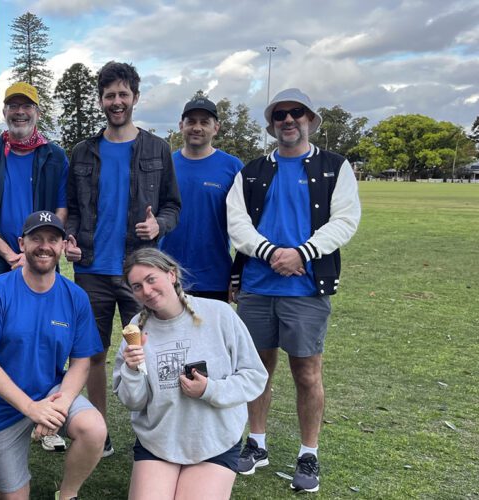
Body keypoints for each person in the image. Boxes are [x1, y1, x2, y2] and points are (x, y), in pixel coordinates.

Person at [227, 88, 361, 493]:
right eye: (280, 115)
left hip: (306, 287)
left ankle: (309, 453)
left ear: (310, 120)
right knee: (258, 370)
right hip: (257, 286)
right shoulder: (251, 171)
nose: (288, 120)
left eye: (296, 113)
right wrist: (270, 252)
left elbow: (345, 220)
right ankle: (257, 443)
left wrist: (302, 253)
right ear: (271, 126)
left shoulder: (335, 166)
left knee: (306, 373)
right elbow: (237, 223)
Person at [66, 61, 181, 456]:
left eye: (123, 95)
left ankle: (148, 431)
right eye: (109, 95)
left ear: (135, 97)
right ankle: (100, 431)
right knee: (92, 354)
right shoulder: (82, 152)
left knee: (147, 350)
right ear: (101, 100)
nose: (117, 102)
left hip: (141, 271)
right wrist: (70, 238)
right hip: (92, 271)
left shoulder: (156, 148)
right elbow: (73, 209)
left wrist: (159, 227)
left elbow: (171, 206)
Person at [0, 210, 106, 500]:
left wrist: (60, 405)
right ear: (21, 244)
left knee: (94, 429)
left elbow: (81, 362)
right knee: (10, 495)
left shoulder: (74, 296)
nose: (44, 246)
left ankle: (67, 495)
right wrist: (32, 408)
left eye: (52, 239)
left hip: (51, 392)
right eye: (36, 239)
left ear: (63, 245)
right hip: (2, 405)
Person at [0, 81, 70, 453]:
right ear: (4, 111)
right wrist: (11, 254)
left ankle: (50, 414)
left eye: (26, 106)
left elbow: (61, 210)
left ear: (37, 112)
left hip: (42, 264)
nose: (19, 112)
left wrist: (36, 250)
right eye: (12, 106)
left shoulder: (55, 156)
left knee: (49, 341)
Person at [113, 248, 267, 500]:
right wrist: (131, 370)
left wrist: (209, 390)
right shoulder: (136, 329)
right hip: (159, 441)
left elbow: (254, 376)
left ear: (171, 275)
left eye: (151, 279)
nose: (147, 291)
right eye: (137, 286)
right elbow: (134, 402)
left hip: (214, 441)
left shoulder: (219, 314)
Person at [159, 97, 244, 302]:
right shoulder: (165, 165)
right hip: (167, 273)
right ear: (181, 126)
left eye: (204, 122)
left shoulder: (233, 167)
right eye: (191, 121)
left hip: (214, 277)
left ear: (216, 128)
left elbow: (244, 225)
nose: (197, 127)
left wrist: (237, 273)